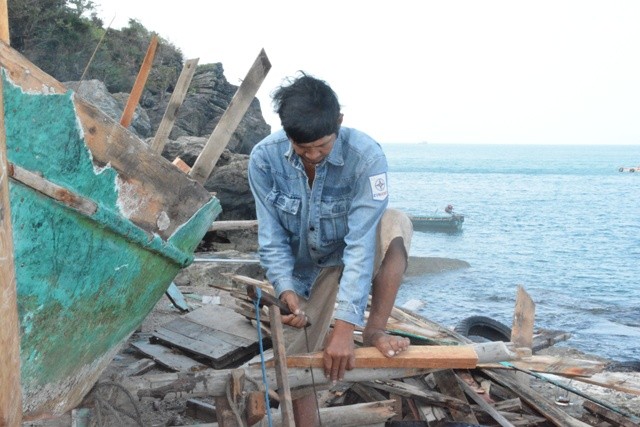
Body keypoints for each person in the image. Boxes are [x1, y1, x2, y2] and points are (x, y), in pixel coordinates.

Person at [248, 72, 413, 426]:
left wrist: (344, 327)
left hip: (349, 257)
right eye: (301, 147)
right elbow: (271, 236)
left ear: (339, 122)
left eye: (322, 146)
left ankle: (375, 329)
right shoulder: (263, 159)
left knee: (395, 225)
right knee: (296, 365)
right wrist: (286, 288)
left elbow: (361, 244)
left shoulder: (366, 158)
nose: (312, 155)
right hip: (303, 269)